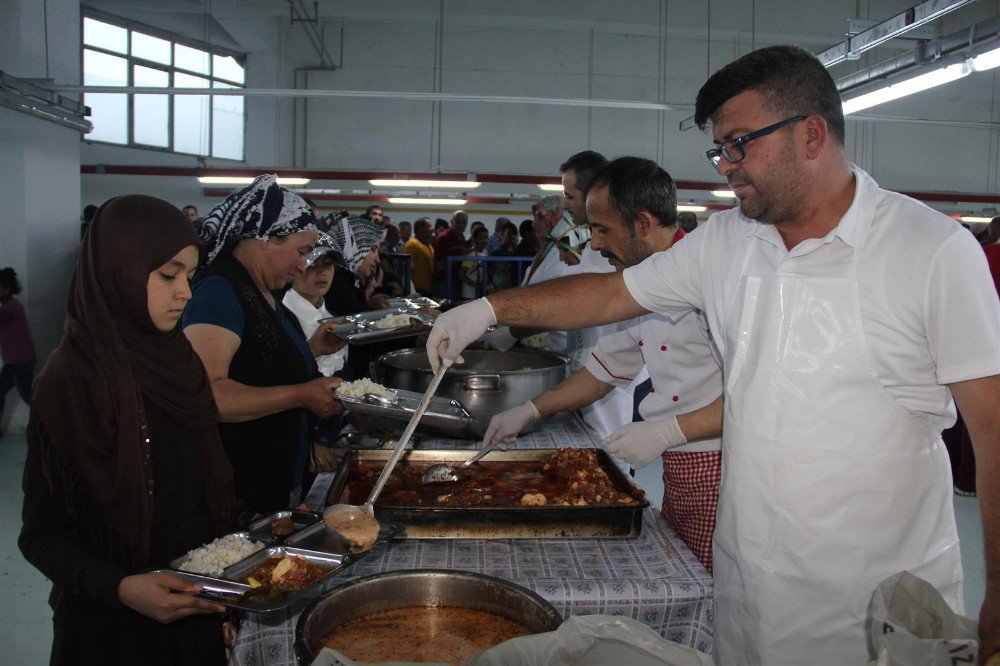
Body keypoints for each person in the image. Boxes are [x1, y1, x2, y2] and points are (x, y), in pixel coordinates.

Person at [426, 45, 1000, 665]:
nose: (725, 165)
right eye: (718, 149)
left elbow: (992, 430)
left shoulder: (931, 250)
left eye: (739, 144)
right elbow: (612, 293)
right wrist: (489, 310)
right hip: (752, 583)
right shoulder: (727, 243)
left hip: (878, 602)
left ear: (811, 134)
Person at [20, 195, 236, 665]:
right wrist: (123, 588)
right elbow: (42, 537)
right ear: (118, 269)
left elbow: (195, 495)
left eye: (190, 277)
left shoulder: (179, 362)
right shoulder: (71, 383)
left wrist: (271, 528)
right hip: (110, 630)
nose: (185, 293)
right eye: (168, 275)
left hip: (195, 611)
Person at [483, 157, 723, 572]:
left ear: (643, 224)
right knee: (685, 573)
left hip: (722, 469)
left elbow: (756, 394)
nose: (592, 244)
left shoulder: (712, 280)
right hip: (679, 467)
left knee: (709, 587)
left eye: (602, 229)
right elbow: (602, 370)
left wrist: (667, 430)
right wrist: (530, 410)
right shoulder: (639, 281)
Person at [183, 175, 344, 518]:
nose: (304, 265)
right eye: (301, 253)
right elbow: (208, 394)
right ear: (265, 239)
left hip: (273, 486)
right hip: (240, 492)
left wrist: (312, 348)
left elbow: (258, 364)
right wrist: (301, 395)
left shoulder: (263, 292)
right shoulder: (218, 291)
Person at [0, 267, 36, 438]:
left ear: (7, 289)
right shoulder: (7, 306)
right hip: (13, 362)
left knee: (30, 397)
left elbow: (3, 318)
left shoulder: (12, 306)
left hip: (21, 361)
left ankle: (52, 424)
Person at [432, 210, 469, 298]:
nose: (461, 225)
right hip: (443, 283)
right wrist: (459, 257)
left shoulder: (462, 238)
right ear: (452, 222)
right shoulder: (443, 238)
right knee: (443, 311)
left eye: (464, 222)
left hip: (457, 282)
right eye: (458, 222)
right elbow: (438, 266)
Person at [404, 218, 435, 297]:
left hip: (429, 288)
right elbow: (406, 266)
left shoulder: (428, 244)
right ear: (421, 228)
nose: (432, 229)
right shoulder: (412, 244)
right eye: (429, 226)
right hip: (417, 288)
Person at [459, 225, 490, 299]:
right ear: (474, 239)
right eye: (481, 237)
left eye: (486, 237)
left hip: (481, 293)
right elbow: (461, 274)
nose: (484, 240)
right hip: (469, 294)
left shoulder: (486, 253)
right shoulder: (471, 255)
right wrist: (476, 285)